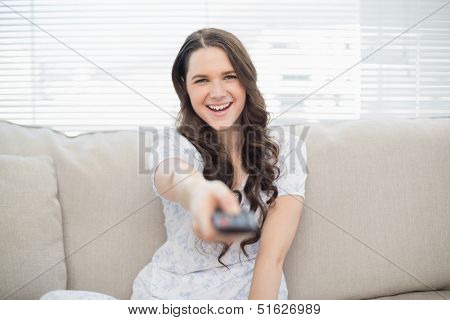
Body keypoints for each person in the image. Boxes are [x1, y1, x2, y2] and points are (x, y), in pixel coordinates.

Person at [41, 28, 307, 300]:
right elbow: (174, 175)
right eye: (202, 80)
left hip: (244, 293)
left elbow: (272, 258)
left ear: (246, 80)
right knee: (52, 303)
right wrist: (199, 193)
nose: (217, 92)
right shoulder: (172, 142)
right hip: (168, 296)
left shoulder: (287, 148)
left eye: (229, 76)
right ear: (185, 86)